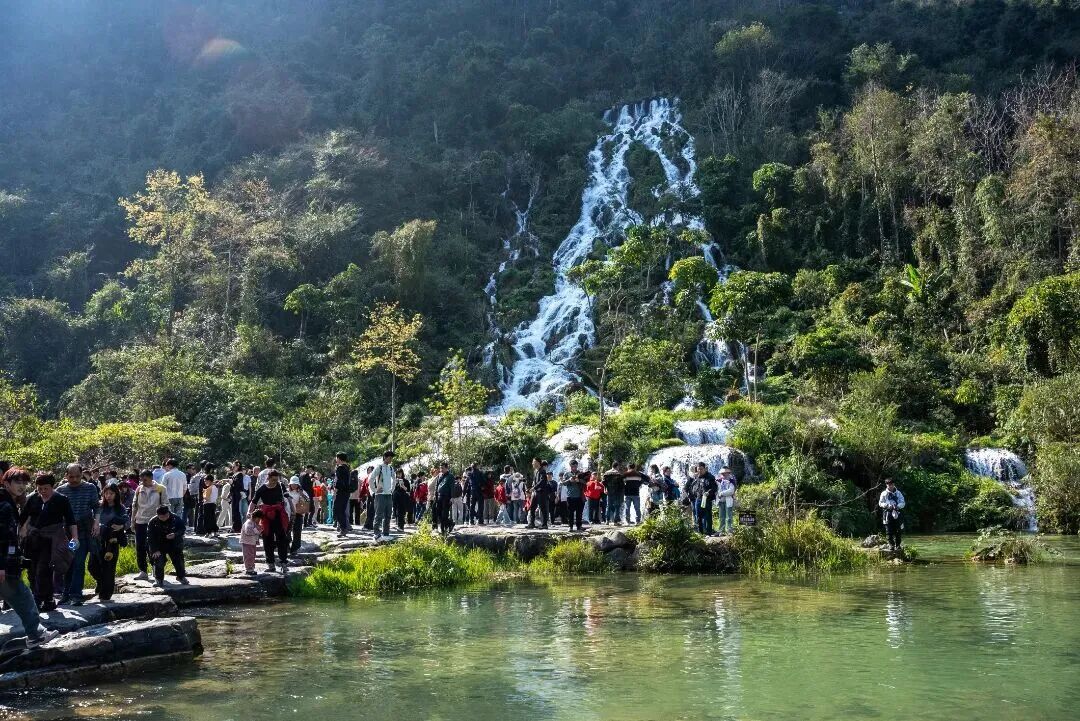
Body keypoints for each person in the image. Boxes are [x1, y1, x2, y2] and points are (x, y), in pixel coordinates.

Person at [0, 469, 58, 647]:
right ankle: (36, 635)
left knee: (21, 598)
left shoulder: (9, 502)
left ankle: (36, 634)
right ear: (6, 483)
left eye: (24, 483)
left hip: (7, 563)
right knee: (24, 598)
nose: (21, 486)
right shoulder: (4, 505)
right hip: (5, 566)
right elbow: (2, 538)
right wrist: (1, 565)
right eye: (17, 482)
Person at [20, 473, 77, 613]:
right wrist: (21, 533)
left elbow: (71, 520)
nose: (43, 492)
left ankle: (37, 600)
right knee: (32, 571)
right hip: (33, 539)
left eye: (46, 488)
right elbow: (23, 517)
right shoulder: (33, 499)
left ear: (52, 487)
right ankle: (49, 599)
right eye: (40, 488)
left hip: (52, 540)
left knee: (43, 569)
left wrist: (75, 537)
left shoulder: (61, 499)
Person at [55, 463, 100, 606]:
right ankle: (66, 593)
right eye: (71, 476)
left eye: (77, 476)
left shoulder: (90, 487)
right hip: (66, 531)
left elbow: (96, 506)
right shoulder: (60, 490)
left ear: (82, 475)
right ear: (66, 476)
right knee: (67, 563)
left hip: (83, 530)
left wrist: (96, 522)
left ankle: (76, 595)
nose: (74, 479)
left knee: (79, 562)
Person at [90, 482, 128, 601]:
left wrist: (121, 527)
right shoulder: (99, 506)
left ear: (116, 494)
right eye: (106, 493)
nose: (108, 496)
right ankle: (101, 582)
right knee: (92, 566)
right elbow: (92, 519)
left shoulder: (120, 507)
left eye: (111, 493)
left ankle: (105, 594)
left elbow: (126, 521)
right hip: (98, 540)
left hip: (112, 542)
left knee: (109, 567)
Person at [130, 469, 167, 582]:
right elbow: (134, 506)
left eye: (145, 479)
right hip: (140, 521)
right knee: (140, 546)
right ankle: (143, 571)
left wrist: (163, 521)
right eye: (141, 479)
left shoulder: (161, 489)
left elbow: (165, 505)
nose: (142, 482)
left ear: (151, 478)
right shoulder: (138, 489)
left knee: (153, 546)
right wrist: (132, 521)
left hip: (155, 522)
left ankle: (155, 569)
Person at [252, 469, 290, 574]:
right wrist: (249, 513)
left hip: (279, 514)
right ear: (268, 478)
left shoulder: (280, 485)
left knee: (282, 538)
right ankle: (271, 564)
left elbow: (286, 497)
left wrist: (292, 509)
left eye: (276, 480)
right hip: (266, 516)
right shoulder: (262, 489)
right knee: (267, 538)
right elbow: (254, 501)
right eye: (273, 480)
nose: (275, 482)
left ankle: (283, 563)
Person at [147, 504, 187, 586]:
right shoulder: (153, 522)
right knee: (158, 560)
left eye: (166, 516)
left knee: (178, 560)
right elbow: (150, 537)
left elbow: (182, 529)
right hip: (159, 544)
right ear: (157, 515)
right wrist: (154, 550)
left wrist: (175, 534)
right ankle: (158, 579)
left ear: (168, 513)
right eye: (161, 517)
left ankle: (181, 576)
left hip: (174, 543)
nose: (164, 518)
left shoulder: (176, 518)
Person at [369, 451, 396, 540]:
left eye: (391, 458)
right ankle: (376, 533)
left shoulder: (391, 468)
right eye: (389, 457)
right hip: (380, 495)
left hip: (388, 495)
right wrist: (374, 490)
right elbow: (370, 478)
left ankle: (386, 533)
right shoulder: (379, 467)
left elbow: (394, 479)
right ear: (385, 457)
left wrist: (392, 490)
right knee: (379, 514)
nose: (391, 459)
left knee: (388, 514)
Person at [878, 478, 906, 550]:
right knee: (888, 530)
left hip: (898, 512)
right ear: (886, 485)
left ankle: (898, 545)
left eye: (892, 484)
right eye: (889, 484)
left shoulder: (898, 493)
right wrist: (887, 506)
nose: (890, 486)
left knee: (898, 530)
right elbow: (880, 503)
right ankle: (891, 545)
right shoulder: (884, 493)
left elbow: (903, 502)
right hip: (888, 513)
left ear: (894, 484)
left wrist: (897, 506)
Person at [286, 478, 310, 556]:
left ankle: (294, 548)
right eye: (292, 484)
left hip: (298, 514)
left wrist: (302, 494)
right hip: (287, 514)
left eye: (295, 484)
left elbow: (308, 501)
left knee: (297, 532)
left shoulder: (302, 492)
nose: (294, 485)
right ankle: (286, 547)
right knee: (287, 532)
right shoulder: (286, 491)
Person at [693, 463, 717, 536]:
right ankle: (700, 532)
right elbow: (694, 488)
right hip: (698, 498)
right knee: (698, 516)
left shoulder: (710, 477)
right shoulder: (697, 477)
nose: (700, 471)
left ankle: (708, 532)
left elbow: (714, 488)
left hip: (706, 499)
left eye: (701, 469)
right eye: (698, 469)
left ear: (705, 468)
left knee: (707, 515)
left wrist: (708, 492)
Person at [432, 462, 456, 535]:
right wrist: (435, 495)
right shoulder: (439, 476)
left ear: (446, 468)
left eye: (442, 468)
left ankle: (443, 530)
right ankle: (450, 523)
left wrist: (452, 497)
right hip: (439, 497)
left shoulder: (450, 476)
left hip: (447, 497)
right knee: (438, 513)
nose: (441, 469)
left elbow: (452, 487)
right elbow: (437, 486)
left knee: (444, 514)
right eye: (440, 468)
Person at [333, 452, 353, 537]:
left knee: (337, 510)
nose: (336, 460)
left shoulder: (340, 468)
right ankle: (344, 528)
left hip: (340, 492)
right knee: (342, 510)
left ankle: (343, 529)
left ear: (339, 459)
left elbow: (338, 481)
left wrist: (335, 491)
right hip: (347, 492)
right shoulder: (348, 468)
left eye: (336, 458)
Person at [527, 458, 550, 529]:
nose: (532, 463)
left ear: (538, 462)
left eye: (533, 462)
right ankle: (531, 523)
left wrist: (534, 488)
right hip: (535, 492)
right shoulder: (535, 471)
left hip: (541, 492)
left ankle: (544, 524)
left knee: (543, 508)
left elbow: (542, 481)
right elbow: (535, 482)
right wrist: (531, 488)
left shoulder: (542, 471)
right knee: (532, 507)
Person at [564, 460, 587, 531]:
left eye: (575, 466)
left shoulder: (581, 474)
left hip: (580, 496)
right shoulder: (567, 474)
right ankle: (570, 526)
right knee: (570, 513)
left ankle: (579, 526)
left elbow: (586, 482)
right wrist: (569, 480)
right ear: (570, 466)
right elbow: (563, 483)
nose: (574, 468)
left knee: (579, 512)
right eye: (572, 466)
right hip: (570, 496)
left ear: (577, 466)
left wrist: (579, 480)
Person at [240, 510, 263, 575]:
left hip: (252, 542)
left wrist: (259, 529)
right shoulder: (249, 522)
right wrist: (257, 531)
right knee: (248, 555)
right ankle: (248, 569)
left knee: (252, 555)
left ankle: (251, 567)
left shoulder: (254, 523)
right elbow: (248, 531)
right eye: (259, 519)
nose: (259, 520)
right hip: (247, 542)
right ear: (256, 517)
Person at [717, 467, 737, 534]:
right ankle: (721, 530)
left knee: (729, 516)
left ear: (728, 473)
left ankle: (729, 530)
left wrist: (722, 493)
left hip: (728, 500)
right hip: (721, 501)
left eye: (726, 473)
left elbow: (731, 491)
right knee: (721, 517)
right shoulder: (719, 481)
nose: (724, 475)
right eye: (723, 473)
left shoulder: (731, 481)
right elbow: (717, 490)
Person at [199, 473, 219, 537]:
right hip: (213, 504)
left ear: (209, 481)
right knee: (213, 518)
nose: (205, 482)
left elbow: (206, 498)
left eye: (205, 480)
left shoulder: (208, 489)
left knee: (207, 519)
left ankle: (208, 532)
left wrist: (204, 493)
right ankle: (215, 531)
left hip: (207, 505)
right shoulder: (215, 487)